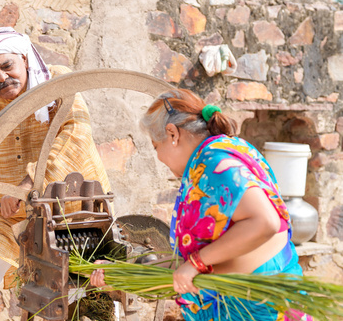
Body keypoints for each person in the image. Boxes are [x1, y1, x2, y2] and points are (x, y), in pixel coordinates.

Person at [90, 89, 312, 320]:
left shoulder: (214, 162)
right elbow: (192, 262)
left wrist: (196, 263)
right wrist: (120, 274)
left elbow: (265, 222)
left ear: (172, 134)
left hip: (256, 305)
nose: (159, 158)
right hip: (254, 297)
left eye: (156, 147)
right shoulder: (227, 150)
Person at [0, 27, 111, 321]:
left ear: (24, 59)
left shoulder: (58, 82)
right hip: (16, 222)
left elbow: (76, 135)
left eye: (7, 66)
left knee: (90, 298)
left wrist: (27, 184)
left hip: (75, 217)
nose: (1, 78)